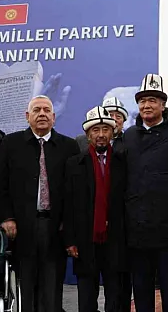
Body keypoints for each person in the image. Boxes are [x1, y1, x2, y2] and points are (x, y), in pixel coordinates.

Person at [0, 95, 79, 312]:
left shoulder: (69, 146)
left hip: (55, 226)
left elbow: (74, 191)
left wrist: (67, 224)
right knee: (25, 283)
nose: (42, 114)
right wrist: (7, 218)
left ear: (54, 116)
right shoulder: (10, 144)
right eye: (37, 110)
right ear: (27, 116)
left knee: (52, 285)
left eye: (46, 110)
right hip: (21, 226)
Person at [124, 74, 168, 312]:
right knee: (140, 285)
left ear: (163, 104)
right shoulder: (129, 136)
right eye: (142, 101)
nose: (146, 106)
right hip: (137, 225)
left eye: (152, 100)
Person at [65, 107, 128, 312]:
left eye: (105, 130)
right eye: (95, 130)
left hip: (116, 238)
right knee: (86, 295)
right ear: (87, 134)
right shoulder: (75, 164)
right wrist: (70, 240)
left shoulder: (122, 163)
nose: (101, 135)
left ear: (112, 133)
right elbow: (69, 204)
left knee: (115, 294)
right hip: (85, 239)